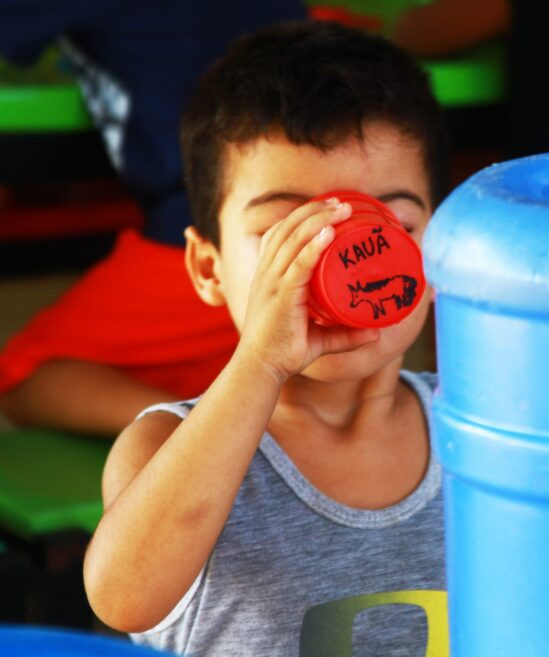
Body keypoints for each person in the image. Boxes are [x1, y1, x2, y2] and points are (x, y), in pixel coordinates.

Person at [82, 20, 450, 657]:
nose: (334, 258)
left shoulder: (481, 428)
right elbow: (124, 599)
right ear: (208, 269)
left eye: (388, 225)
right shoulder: (167, 445)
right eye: (287, 230)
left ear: (438, 257)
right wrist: (261, 359)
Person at [0, 0, 307, 436]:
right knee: (194, 368)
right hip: (310, 213)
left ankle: (233, 431)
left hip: (207, 225)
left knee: (24, 374)